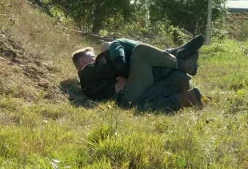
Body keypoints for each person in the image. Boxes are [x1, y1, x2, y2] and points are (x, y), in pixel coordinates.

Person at [72, 36, 204, 112]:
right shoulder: (87, 72)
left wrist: (123, 76)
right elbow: (116, 68)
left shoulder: (90, 78)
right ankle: (179, 61)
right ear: (84, 61)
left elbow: (114, 72)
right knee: (140, 52)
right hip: (126, 96)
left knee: (174, 78)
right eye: (92, 56)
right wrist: (120, 74)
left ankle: (188, 96)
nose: (96, 58)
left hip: (131, 92)